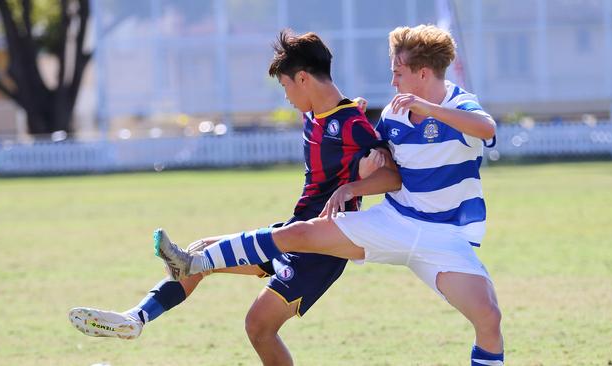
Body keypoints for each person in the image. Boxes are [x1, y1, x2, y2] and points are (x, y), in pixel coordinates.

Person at [155, 24, 504, 365]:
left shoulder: (460, 104)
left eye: (398, 72)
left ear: (423, 73)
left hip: (445, 238)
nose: (393, 81)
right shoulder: (396, 112)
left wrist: (430, 110)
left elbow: (486, 128)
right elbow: (383, 164)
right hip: (394, 222)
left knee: (488, 319)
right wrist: (356, 181)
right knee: (298, 233)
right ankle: (197, 262)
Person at [69, 29, 394, 366]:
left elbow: (393, 175)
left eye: (284, 87)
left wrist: (354, 186)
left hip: (320, 249)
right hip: (292, 232)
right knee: (198, 252)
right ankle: (136, 319)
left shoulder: (353, 124)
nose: (285, 97)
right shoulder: (319, 113)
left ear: (302, 79)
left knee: (258, 326)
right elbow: (335, 121)